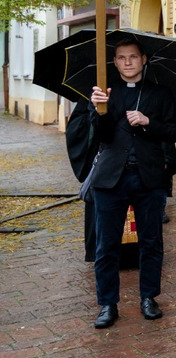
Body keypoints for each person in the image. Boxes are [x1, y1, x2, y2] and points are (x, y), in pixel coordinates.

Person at [86, 36, 176, 328]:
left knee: (151, 241)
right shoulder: (103, 94)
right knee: (106, 245)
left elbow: (173, 132)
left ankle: (149, 297)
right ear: (115, 63)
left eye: (133, 57)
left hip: (148, 177)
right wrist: (98, 110)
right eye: (122, 58)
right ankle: (107, 304)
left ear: (144, 59)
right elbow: (100, 136)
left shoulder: (160, 93)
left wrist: (148, 121)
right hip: (111, 179)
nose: (128, 62)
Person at [65, 98, 99, 262]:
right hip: (101, 163)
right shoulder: (90, 96)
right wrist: (94, 116)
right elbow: (75, 129)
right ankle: (98, 251)